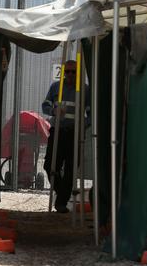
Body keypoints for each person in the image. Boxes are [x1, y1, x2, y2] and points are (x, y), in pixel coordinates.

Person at [42, 60, 89, 213]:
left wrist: (83, 124)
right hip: (57, 132)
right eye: (67, 71)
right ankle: (61, 192)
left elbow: (91, 113)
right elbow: (45, 105)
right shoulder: (56, 87)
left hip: (74, 134)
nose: (69, 74)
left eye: (73, 72)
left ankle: (61, 203)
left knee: (71, 168)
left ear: (78, 73)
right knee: (49, 165)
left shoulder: (84, 90)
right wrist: (54, 111)